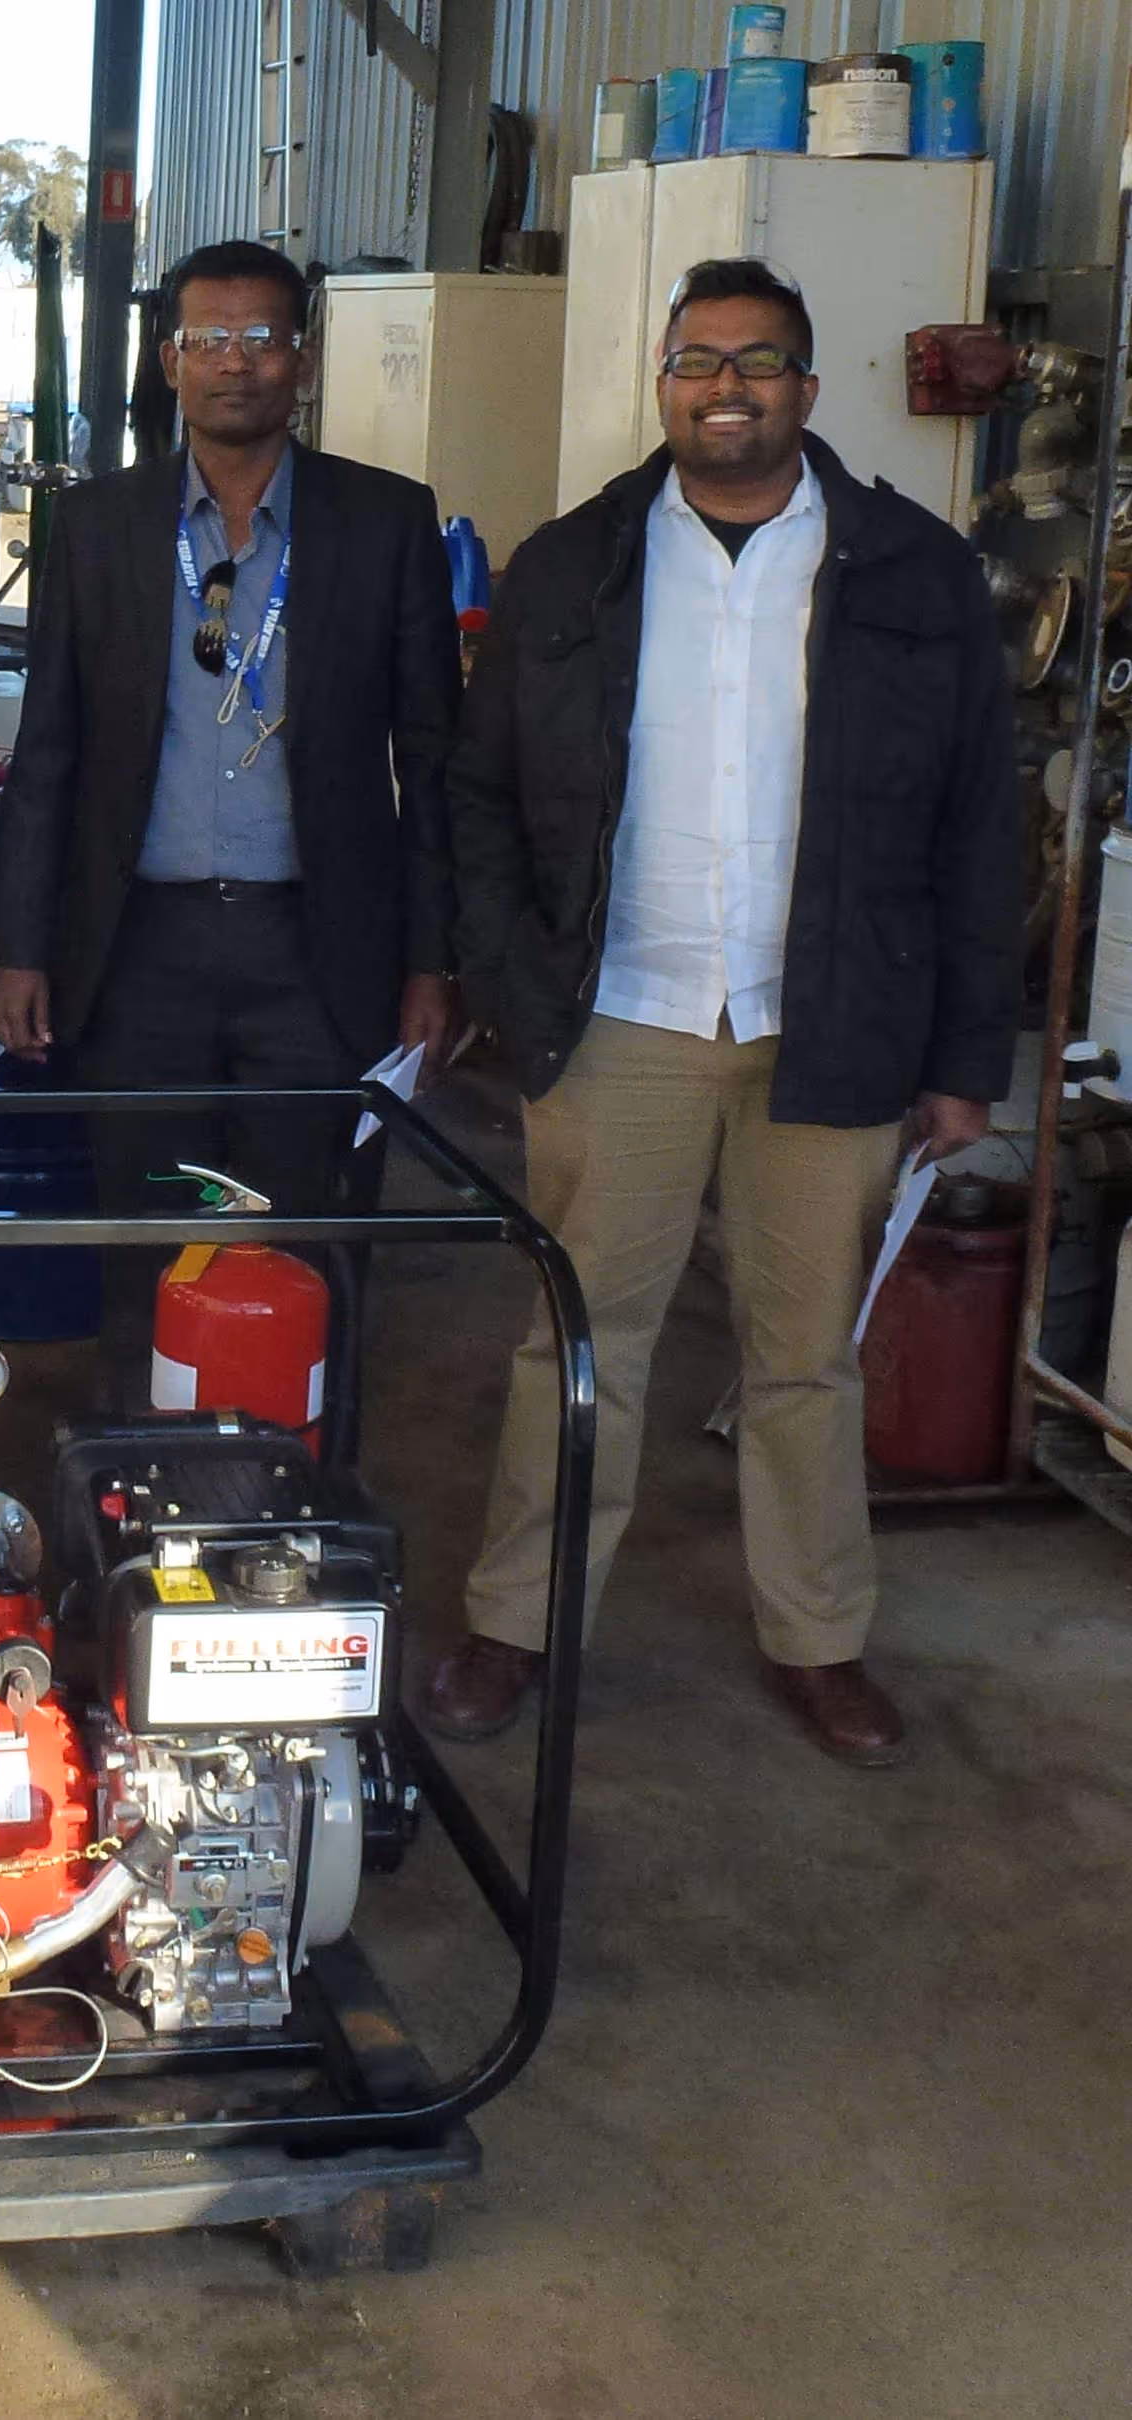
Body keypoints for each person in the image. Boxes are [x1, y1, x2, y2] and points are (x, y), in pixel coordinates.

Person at [422, 257, 1021, 1766]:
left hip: (832, 1023)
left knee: (805, 1353)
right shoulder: (575, 565)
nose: (727, 387)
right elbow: (476, 793)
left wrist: (962, 1058)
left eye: (759, 362)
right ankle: (519, 1622)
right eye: (698, 361)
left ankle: (818, 1640)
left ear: (806, 392)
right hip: (621, 1011)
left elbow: (975, 830)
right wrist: (507, 974)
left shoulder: (912, 571)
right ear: (667, 385)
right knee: (579, 1338)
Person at [0, 237, 461, 1424]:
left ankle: (303, 1500)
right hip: (139, 950)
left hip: (321, 951)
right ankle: (143, 1497)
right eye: (209, 340)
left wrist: (432, 959)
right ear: (169, 360)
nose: (234, 364)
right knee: (149, 1241)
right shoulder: (96, 526)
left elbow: (435, 762)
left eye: (261, 338)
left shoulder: (383, 521)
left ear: (300, 360)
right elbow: (48, 750)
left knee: (303, 1246)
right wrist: (20, 942)